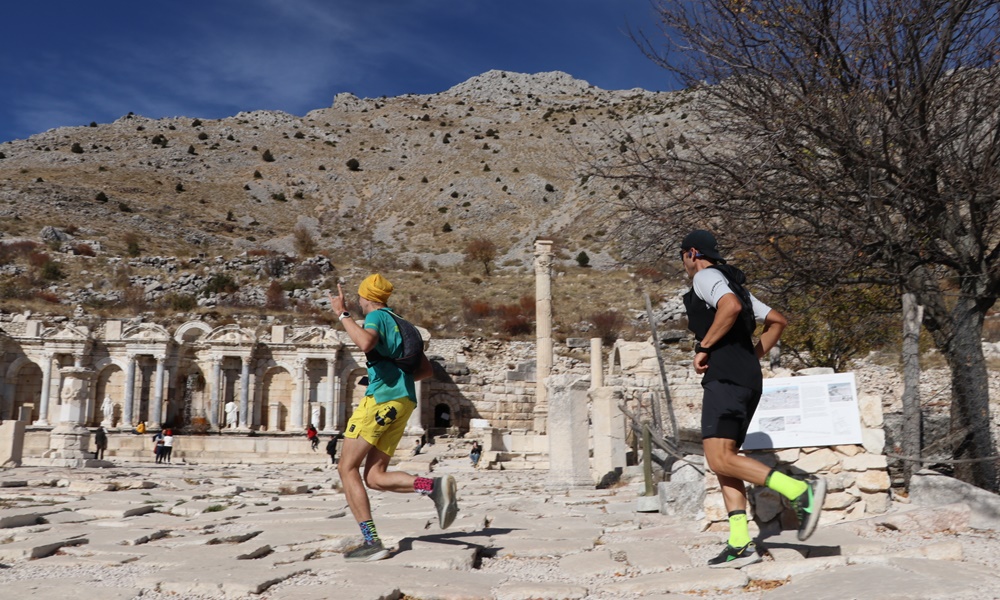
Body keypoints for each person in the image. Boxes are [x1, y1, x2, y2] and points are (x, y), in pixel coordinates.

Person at [680, 229, 826, 569]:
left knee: (718, 459)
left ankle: (799, 490)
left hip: (727, 378)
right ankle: (739, 540)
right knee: (724, 459)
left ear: (691, 253)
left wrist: (704, 347)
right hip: (745, 377)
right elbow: (778, 321)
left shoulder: (706, 276)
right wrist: (751, 355)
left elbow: (728, 308)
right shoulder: (737, 286)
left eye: (685, 258)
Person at [330, 273, 458, 562]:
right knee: (374, 477)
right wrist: (393, 374)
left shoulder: (375, 317)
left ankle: (371, 541)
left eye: (361, 299)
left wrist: (342, 314)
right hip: (402, 402)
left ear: (366, 297)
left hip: (380, 400)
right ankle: (433, 487)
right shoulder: (405, 326)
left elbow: (364, 342)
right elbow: (425, 370)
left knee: (346, 468)